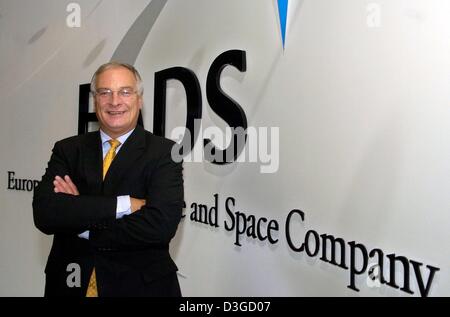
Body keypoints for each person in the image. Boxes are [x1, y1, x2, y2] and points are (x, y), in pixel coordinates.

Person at [33, 62, 184, 297]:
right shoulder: (68, 150)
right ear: (95, 100)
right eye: (105, 92)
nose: (115, 101)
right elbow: (46, 213)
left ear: (140, 99)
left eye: (125, 92)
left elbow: (160, 225)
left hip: (140, 288)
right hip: (69, 285)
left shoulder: (164, 153)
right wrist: (123, 205)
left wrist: (81, 217)